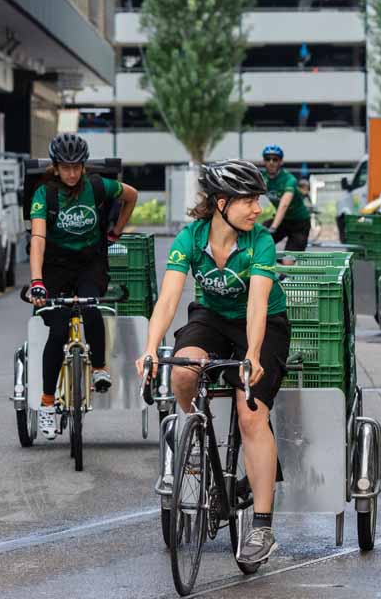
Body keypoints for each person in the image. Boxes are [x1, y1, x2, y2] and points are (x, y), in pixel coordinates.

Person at [136, 159, 291, 566]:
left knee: (250, 413)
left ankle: (262, 526)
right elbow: (169, 299)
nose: (257, 208)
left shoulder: (260, 241)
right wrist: (150, 348)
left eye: (258, 200)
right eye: (248, 200)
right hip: (211, 318)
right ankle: (192, 438)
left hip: (263, 324)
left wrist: (253, 354)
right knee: (183, 368)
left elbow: (257, 303)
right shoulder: (190, 238)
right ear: (221, 203)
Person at [29, 133, 138, 439]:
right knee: (58, 330)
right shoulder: (45, 195)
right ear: (55, 168)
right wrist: (37, 282)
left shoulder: (98, 186)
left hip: (90, 264)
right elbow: (38, 238)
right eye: (65, 167)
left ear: (84, 166)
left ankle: (100, 369)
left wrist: (117, 230)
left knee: (91, 308)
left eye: (77, 167)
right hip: (54, 267)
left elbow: (132, 195)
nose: (72, 173)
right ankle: (47, 404)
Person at [260, 145, 311, 251]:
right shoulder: (262, 178)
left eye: (275, 159)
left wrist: (273, 228)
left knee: (289, 259)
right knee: (259, 242)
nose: (271, 162)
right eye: (268, 159)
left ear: (281, 162)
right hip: (283, 220)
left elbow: (284, 205)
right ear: (264, 161)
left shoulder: (289, 179)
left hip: (299, 222)